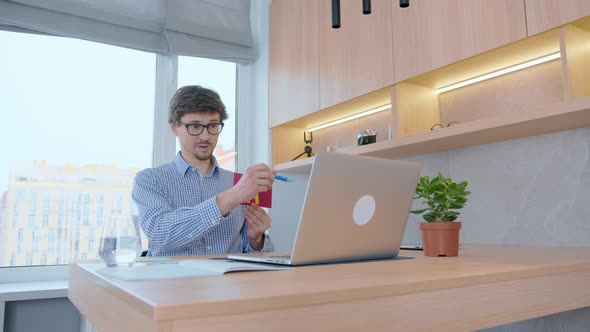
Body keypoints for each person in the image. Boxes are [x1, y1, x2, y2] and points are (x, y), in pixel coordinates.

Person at [132, 85, 276, 256]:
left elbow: (256, 253)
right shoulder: (149, 179)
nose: (206, 136)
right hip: (172, 281)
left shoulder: (236, 182)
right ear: (174, 128)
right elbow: (161, 233)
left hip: (227, 281)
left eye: (213, 126)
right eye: (194, 126)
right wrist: (232, 197)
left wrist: (255, 239)